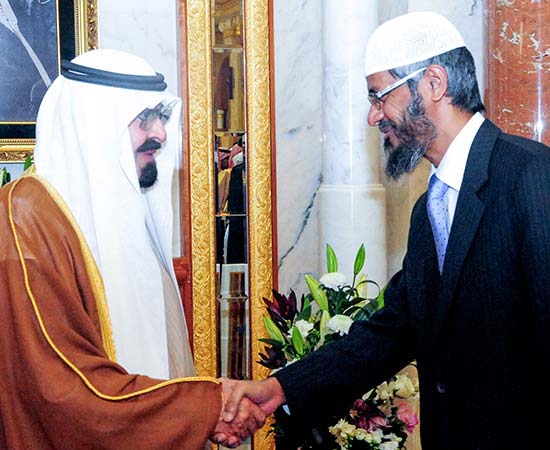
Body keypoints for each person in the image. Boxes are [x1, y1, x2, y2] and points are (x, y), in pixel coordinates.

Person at [221, 11, 550, 450]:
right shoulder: (427, 209)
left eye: (379, 96)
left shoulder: (530, 176)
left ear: (433, 83)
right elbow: (393, 329)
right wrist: (280, 389)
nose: (374, 117)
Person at [0, 49, 263, 449]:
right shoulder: (24, 219)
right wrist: (204, 408)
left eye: (161, 116)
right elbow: (61, 385)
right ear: (93, 125)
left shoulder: (119, 213)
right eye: (143, 119)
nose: (159, 133)